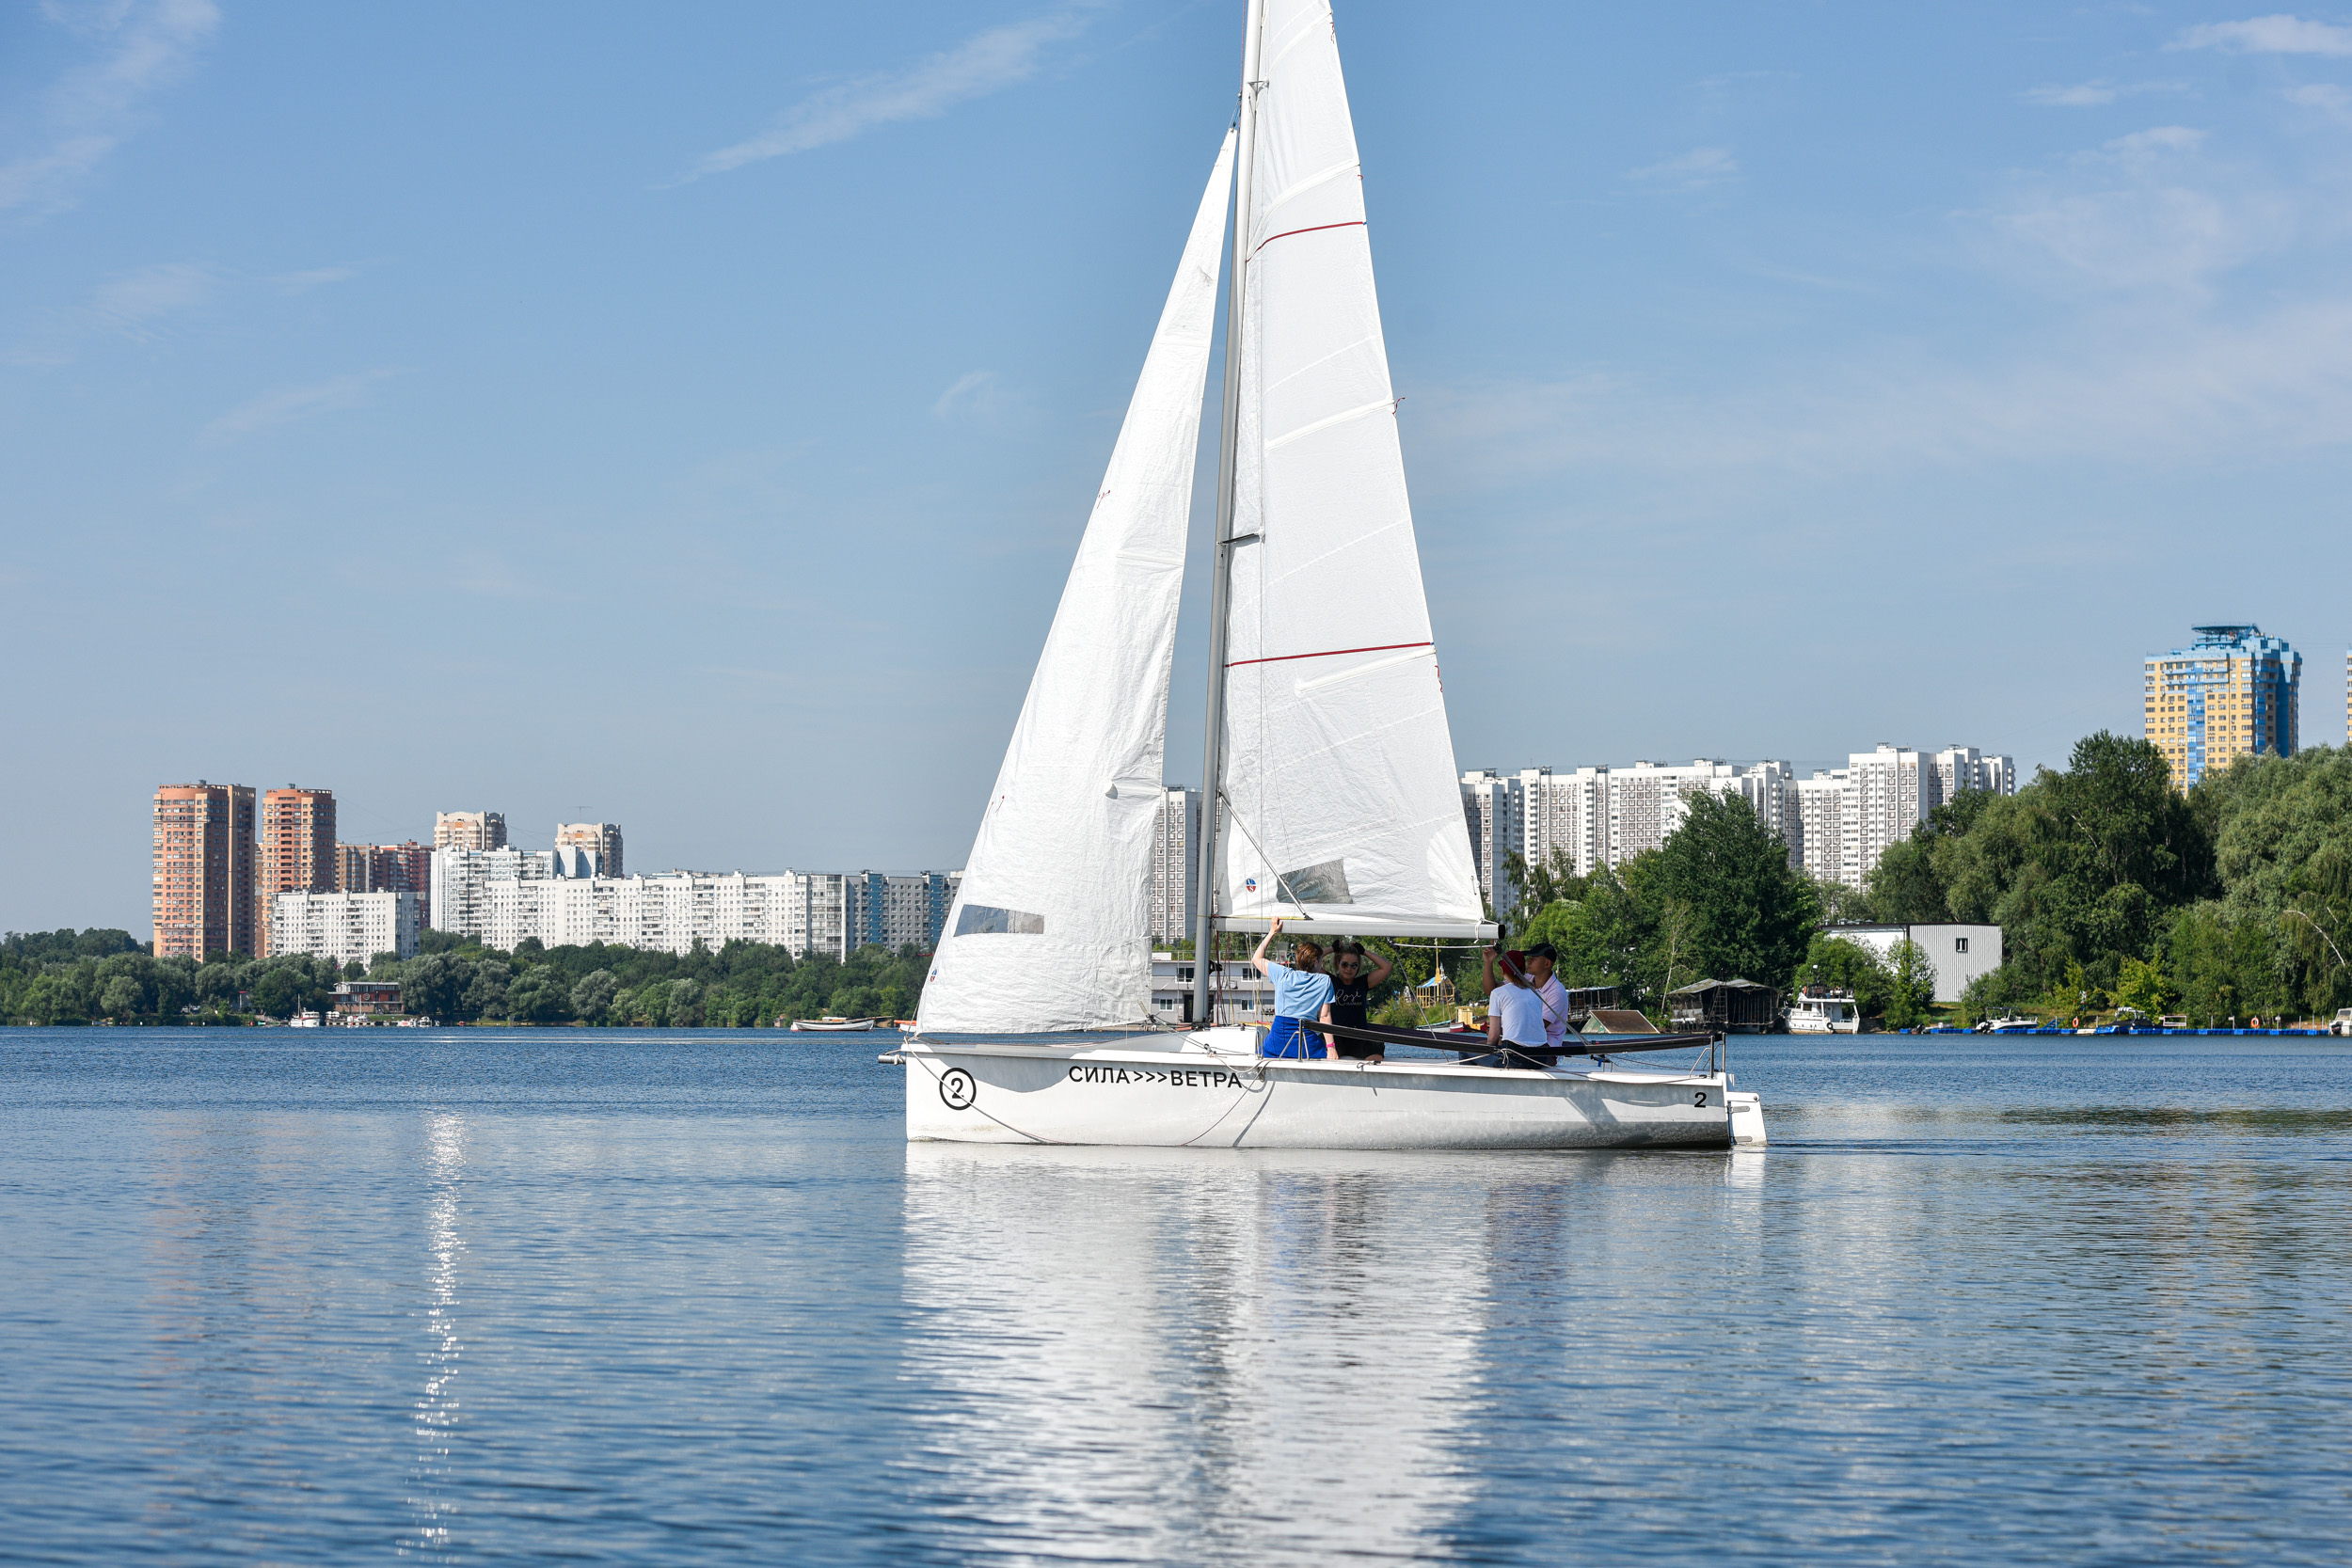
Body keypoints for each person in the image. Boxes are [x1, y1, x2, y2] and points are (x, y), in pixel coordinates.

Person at [1253, 919, 1335, 1059]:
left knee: (1262, 1051)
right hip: (1305, 1042)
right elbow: (1324, 1016)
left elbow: (1256, 958)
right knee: (1321, 1050)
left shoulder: (1283, 974)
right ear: (1316, 962)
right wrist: (1331, 1048)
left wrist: (1272, 931)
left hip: (1278, 1041)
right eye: (1321, 960)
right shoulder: (1325, 981)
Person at [1467, 944, 1553, 1069]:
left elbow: (1493, 1036)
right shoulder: (1536, 993)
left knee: (1466, 1051)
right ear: (1523, 971)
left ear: (1503, 971)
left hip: (1515, 1058)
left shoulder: (1497, 993)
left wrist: (1488, 1052)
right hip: (1541, 1057)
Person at [1485, 941, 1571, 1056]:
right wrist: (1488, 963)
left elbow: (1535, 1027)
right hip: (1521, 1042)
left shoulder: (1557, 992)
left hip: (1547, 1049)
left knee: (1481, 1047)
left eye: (1533, 959)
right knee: (1484, 1045)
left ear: (1547, 963)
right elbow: (1491, 990)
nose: (1528, 962)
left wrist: (1497, 1031)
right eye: (1529, 958)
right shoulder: (1526, 979)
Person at [1325, 941, 1394, 1063]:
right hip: (1336, 1037)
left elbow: (1387, 966)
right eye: (1344, 964)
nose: (1349, 969)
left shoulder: (1363, 983)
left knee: (1376, 1046)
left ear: (1358, 967)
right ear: (1337, 963)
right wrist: (1332, 948)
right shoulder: (1330, 981)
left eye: (1354, 965)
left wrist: (1364, 952)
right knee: (1317, 1044)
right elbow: (1311, 960)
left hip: (1359, 1037)